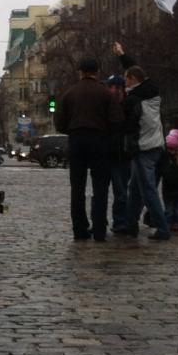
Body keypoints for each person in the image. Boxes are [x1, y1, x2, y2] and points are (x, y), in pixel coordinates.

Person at [54, 55, 124, 241]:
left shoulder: (69, 93)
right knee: (100, 187)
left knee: (77, 188)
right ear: (97, 72)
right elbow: (117, 120)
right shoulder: (105, 94)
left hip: (76, 140)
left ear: (80, 72)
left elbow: (59, 122)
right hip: (100, 141)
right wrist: (105, 131)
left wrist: (73, 129)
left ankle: (79, 229)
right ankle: (99, 230)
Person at [120, 63, 171, 241]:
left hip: (143, 147)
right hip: (155, 144)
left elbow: (128, 124)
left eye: (126, 79)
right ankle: (130, 224)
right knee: (135, 188)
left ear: (133, 79)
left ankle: (162, 228)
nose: (125, 83)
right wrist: (122, 56)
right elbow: (141, 75)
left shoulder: (134, 101)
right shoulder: (153, 95)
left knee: (148, 190)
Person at [105, 74, 131, 233]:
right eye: (111, 87)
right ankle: (102, 222)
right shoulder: (104, 106)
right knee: (102, 192)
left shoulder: (128, 106)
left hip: (122, 155)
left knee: (121, 191)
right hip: (107, 154)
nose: (114, 91)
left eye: (117, 88)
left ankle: (120, 221)